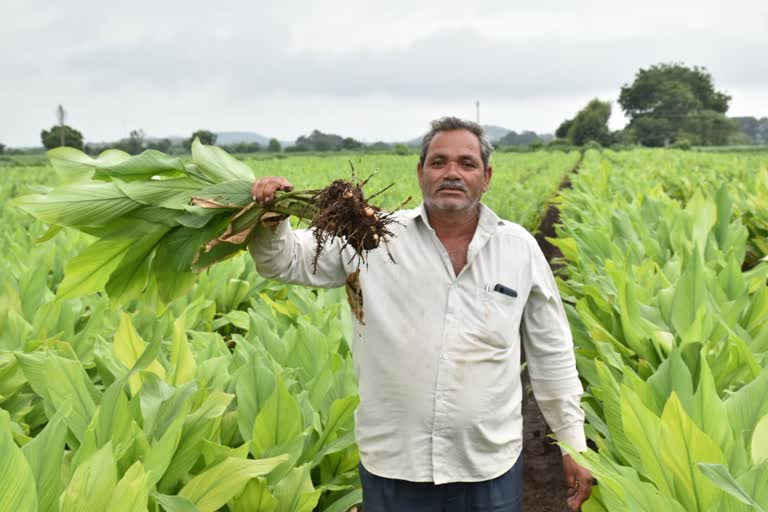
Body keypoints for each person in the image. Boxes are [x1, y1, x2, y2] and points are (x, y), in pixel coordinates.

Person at [249, 117, 593, 511]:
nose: (452, 173)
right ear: (420, 172)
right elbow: (285, 261)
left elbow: (552, 353)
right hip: (395, 467)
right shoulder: (371, 236)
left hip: (488, 467)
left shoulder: (519, 249)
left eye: (467, 163)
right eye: (438, 162)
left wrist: (573, 442)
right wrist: (273, 215)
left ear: (487, 176)